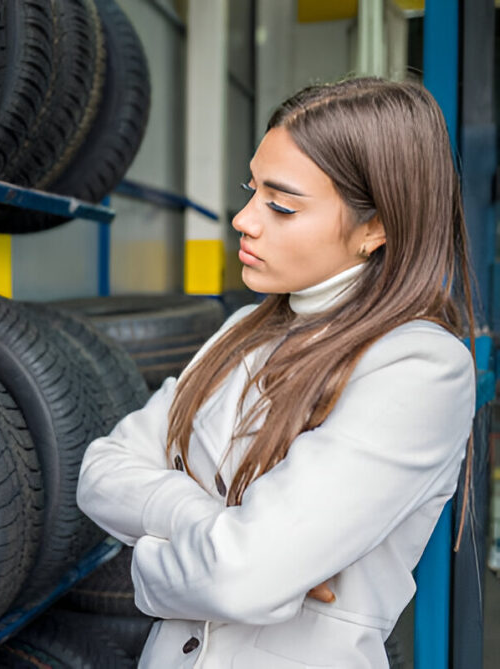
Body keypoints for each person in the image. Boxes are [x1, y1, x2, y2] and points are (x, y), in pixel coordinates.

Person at [76, 77, 477, 669]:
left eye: (281, 205)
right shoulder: (240, 330)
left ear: (377, 227)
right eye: (251, 190)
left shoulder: (419, 368)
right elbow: (101, 471)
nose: (243, 219)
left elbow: (241, 579)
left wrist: (152, 557)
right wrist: (210, 524)